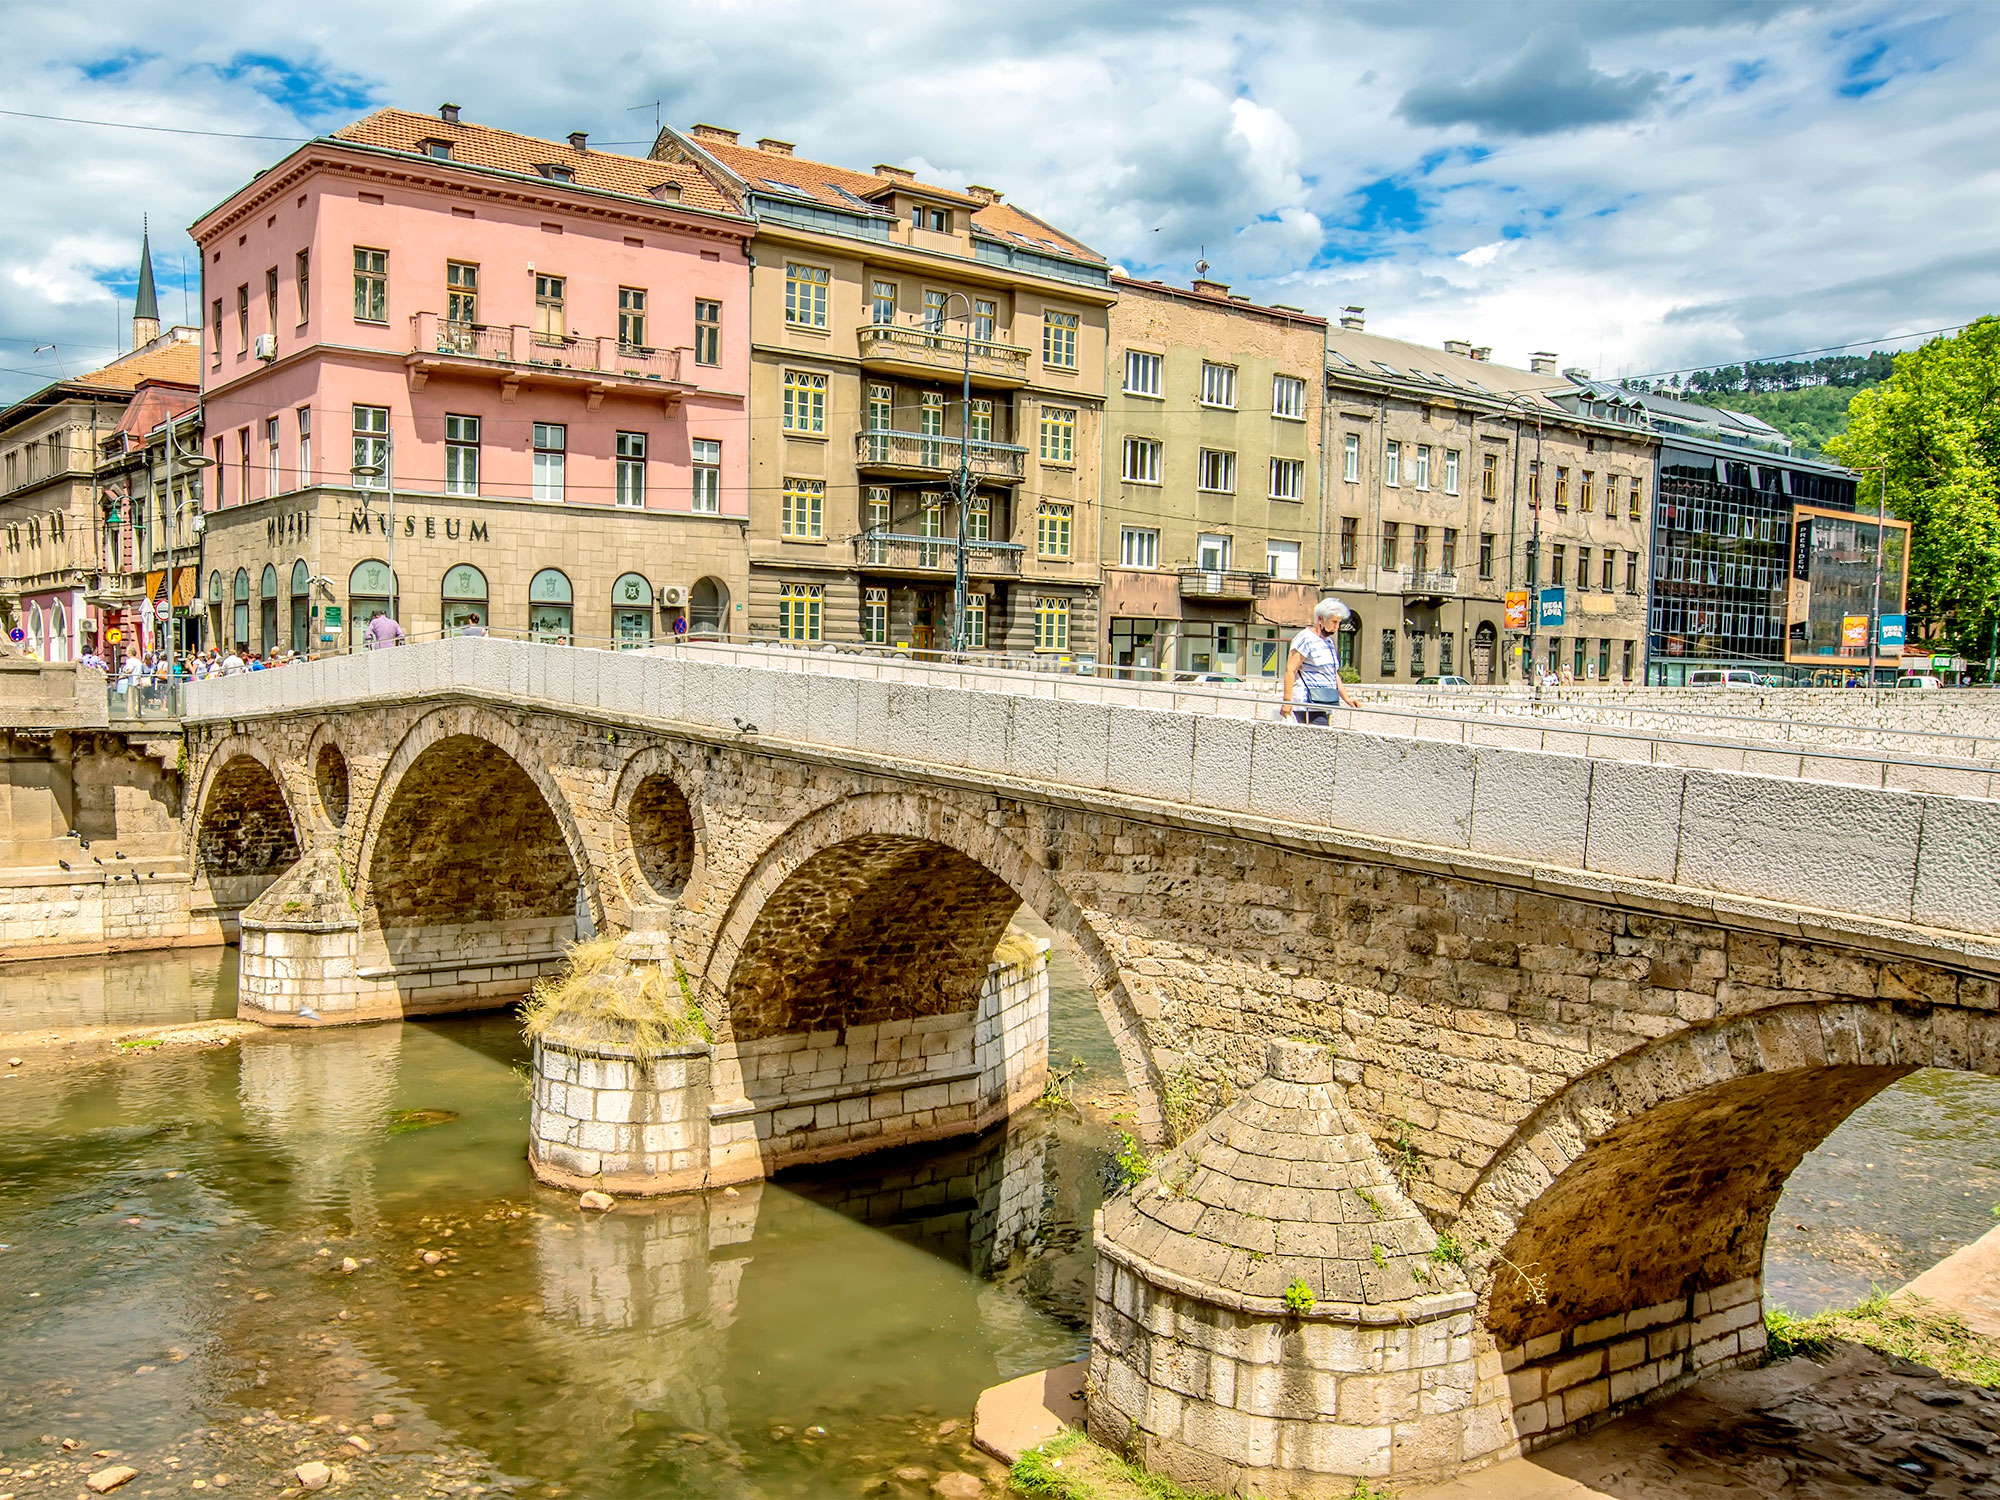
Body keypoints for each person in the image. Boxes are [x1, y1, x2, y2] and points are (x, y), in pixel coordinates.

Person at [1282, 598, 1361, 724]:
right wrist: (1287, 701)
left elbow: (1333, 673)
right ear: (1320, 619)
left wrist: (1347, 699)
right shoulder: (1305, 638)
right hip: (1307, 703)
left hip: (1325, 701)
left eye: (1339, 623)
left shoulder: (1328, 641)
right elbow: (1291, 670)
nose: (1336, 627)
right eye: (1334, 622)